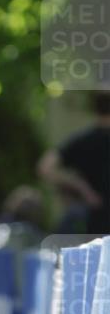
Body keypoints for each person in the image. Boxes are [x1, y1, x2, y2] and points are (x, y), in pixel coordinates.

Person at [38, 91, 110, 235]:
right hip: (94, 220)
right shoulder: (84, 140)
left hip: (91, 224)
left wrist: (78, 186)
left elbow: (45, 168)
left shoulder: (82, 140)